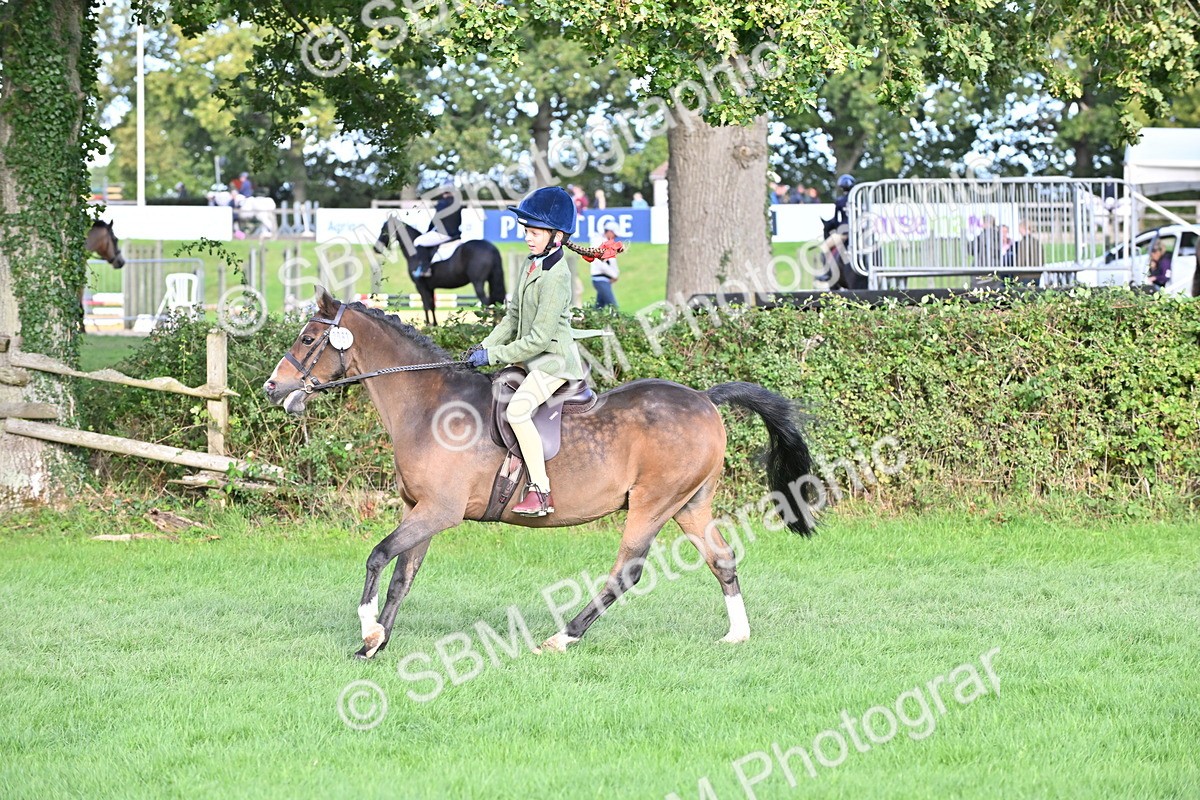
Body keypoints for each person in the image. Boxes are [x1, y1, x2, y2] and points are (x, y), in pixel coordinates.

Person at [465, 186, 609, 516]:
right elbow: (513, 317)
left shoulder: (557, 276)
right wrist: (484, 345)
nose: (528, 238)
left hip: (553, 363)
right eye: (526, 231)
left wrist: (493, 356)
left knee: (517, 411)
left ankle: (540, 491)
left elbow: (540, 339)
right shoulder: (531, 264)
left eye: (534, 232)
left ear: (556, 236)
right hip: (533, 361)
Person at [820, 173, 864, 289]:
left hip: (844, 234)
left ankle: (826, 273)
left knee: (824, 248)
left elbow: (836, 220)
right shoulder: (859, 200)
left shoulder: (840, 201)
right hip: (859, 232)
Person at [412, 183, 463, 278]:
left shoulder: (442, 203)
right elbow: (459, 222)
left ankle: (425, 268)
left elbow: (435, 220)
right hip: (456, 235)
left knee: (418, 241)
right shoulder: (458, 204)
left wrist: (428, 231)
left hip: (443, 234)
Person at [589, 221, 621, 309]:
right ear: (609, 231)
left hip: (606, 279)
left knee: (599, 308)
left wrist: (616, 274)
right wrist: (614, 275)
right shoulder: (597, 242)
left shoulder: (609, 244)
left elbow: (612, 262)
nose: (615, 237)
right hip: (600, 278)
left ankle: (588, 320)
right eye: (614, 235)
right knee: (614, 306)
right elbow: (598, 262)